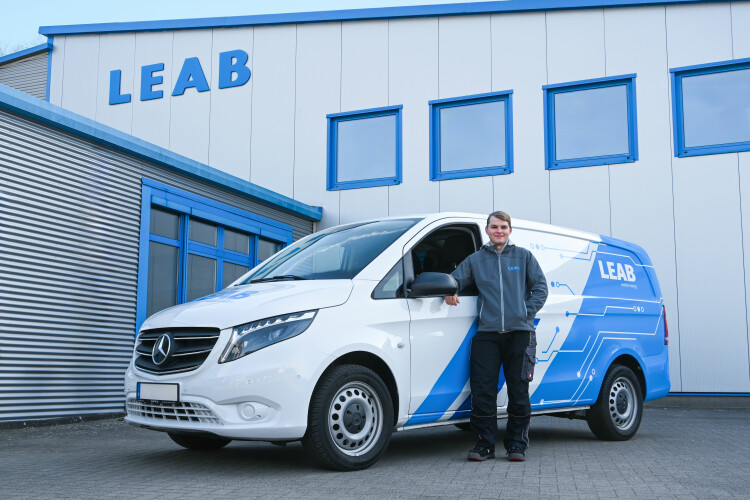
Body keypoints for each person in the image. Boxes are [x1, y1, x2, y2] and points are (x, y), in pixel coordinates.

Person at [445, 211, 548, 462]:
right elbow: (454, 280)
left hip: (520, 334)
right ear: (487, 230)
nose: (499, 231)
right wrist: (448, 291)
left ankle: (516, 445)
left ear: (510, 230)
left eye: (503, 227)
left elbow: (541, 288)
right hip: (487, 334)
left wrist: (524, 311)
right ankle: (484, 446)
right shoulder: (476, 259)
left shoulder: (523, 256)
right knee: (482, 392)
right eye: (494, 227)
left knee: (518, 391)